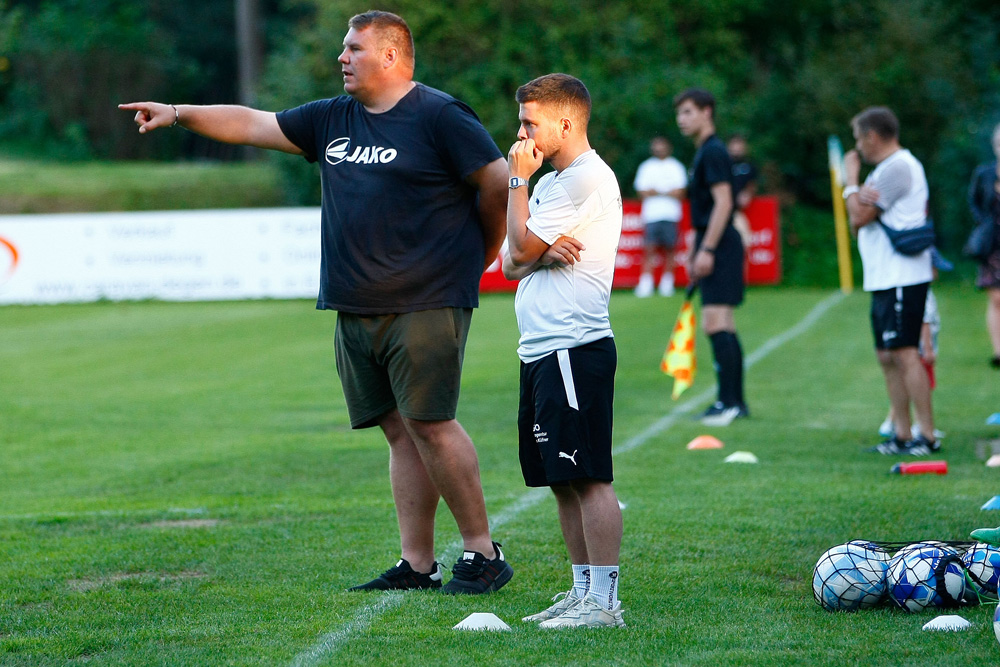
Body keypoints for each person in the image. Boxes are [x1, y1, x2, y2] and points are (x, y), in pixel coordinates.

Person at [119, 10, 514, 594]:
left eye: (353, 48)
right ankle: (418, 564)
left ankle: (483, 553)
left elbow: (495, 181)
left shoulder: (439, 114)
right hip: (354, 303)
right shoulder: (333, 117)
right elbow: (253, 124)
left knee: (430, 423)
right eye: (343, 48)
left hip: (426, 299)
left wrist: (478, 253)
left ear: (389, 55)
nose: (342, 58)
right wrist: (178, 114)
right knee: (399, 432)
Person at [502, 73, 625, 628]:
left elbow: (519, 246)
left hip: (575, 347)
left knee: (590, 475)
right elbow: (510, 261)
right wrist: (539, 253)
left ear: (565, 123)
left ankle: (604, 603)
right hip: (541, 350)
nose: (521, 132)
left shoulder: (584, 179)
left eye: (530, 122)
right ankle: (581, 592)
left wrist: (515, 183)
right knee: (560, 478)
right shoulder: (550, 183)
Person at [843, 106, 939, 456]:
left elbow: (859, 214)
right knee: (887, 355)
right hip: (883, 276)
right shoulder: (884, 170)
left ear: (872, 136)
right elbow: (857, 223)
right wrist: (858, 202)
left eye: (858, 138)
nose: (857, 148)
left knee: (906, 353)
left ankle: (926, 435)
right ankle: (901, 434)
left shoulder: (898, 167)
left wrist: (851, 179)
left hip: (903, 276)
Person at [674, 88, 748, 427]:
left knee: (716, 322)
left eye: (688, 112)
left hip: (721, 245)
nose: (681, 119)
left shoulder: (714, 151)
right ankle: (734, 402)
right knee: (722, 323)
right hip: (712, 241)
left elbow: (724, 204)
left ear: (707, 112)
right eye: (680, 113)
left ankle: (728, 403)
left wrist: (707, 250)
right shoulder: (704, 151)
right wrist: (695, 249)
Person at [877, 249, 950, 441]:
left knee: (910, 384)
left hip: (917, 349)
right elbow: (925, 322)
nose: (936, 274)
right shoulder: (923, 294)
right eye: (934, 269)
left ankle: (900, 424)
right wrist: (927, 349)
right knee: (919, 385)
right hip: (919, 351)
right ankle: (915, 426)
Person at [633, 136, 687, 297]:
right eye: (656, 146)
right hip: (652, 215)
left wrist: (657, 191)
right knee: (649, 248)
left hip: (671, 214)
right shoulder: (646, 167)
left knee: (671, 249)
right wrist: (666, 191)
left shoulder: (676, 166)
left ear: (668, 147)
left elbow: (680, 192)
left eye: (662, 146)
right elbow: (642, 191)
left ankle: (667, 283)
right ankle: (646, 283)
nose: (659, 149)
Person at [967, 122, 1000, 369]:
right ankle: (998, 350)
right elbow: (974, 202)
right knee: (996, 298)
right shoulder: (985, 173)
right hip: (993, 245)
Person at [727, 134, 758, 248]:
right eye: (734, 144)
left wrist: (747, 194)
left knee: (744, 243)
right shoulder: (723, 165)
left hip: (737, 212)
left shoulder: (750, 165)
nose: (737, 147)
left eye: (739, 144)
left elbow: (753, 184)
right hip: (722, 211)